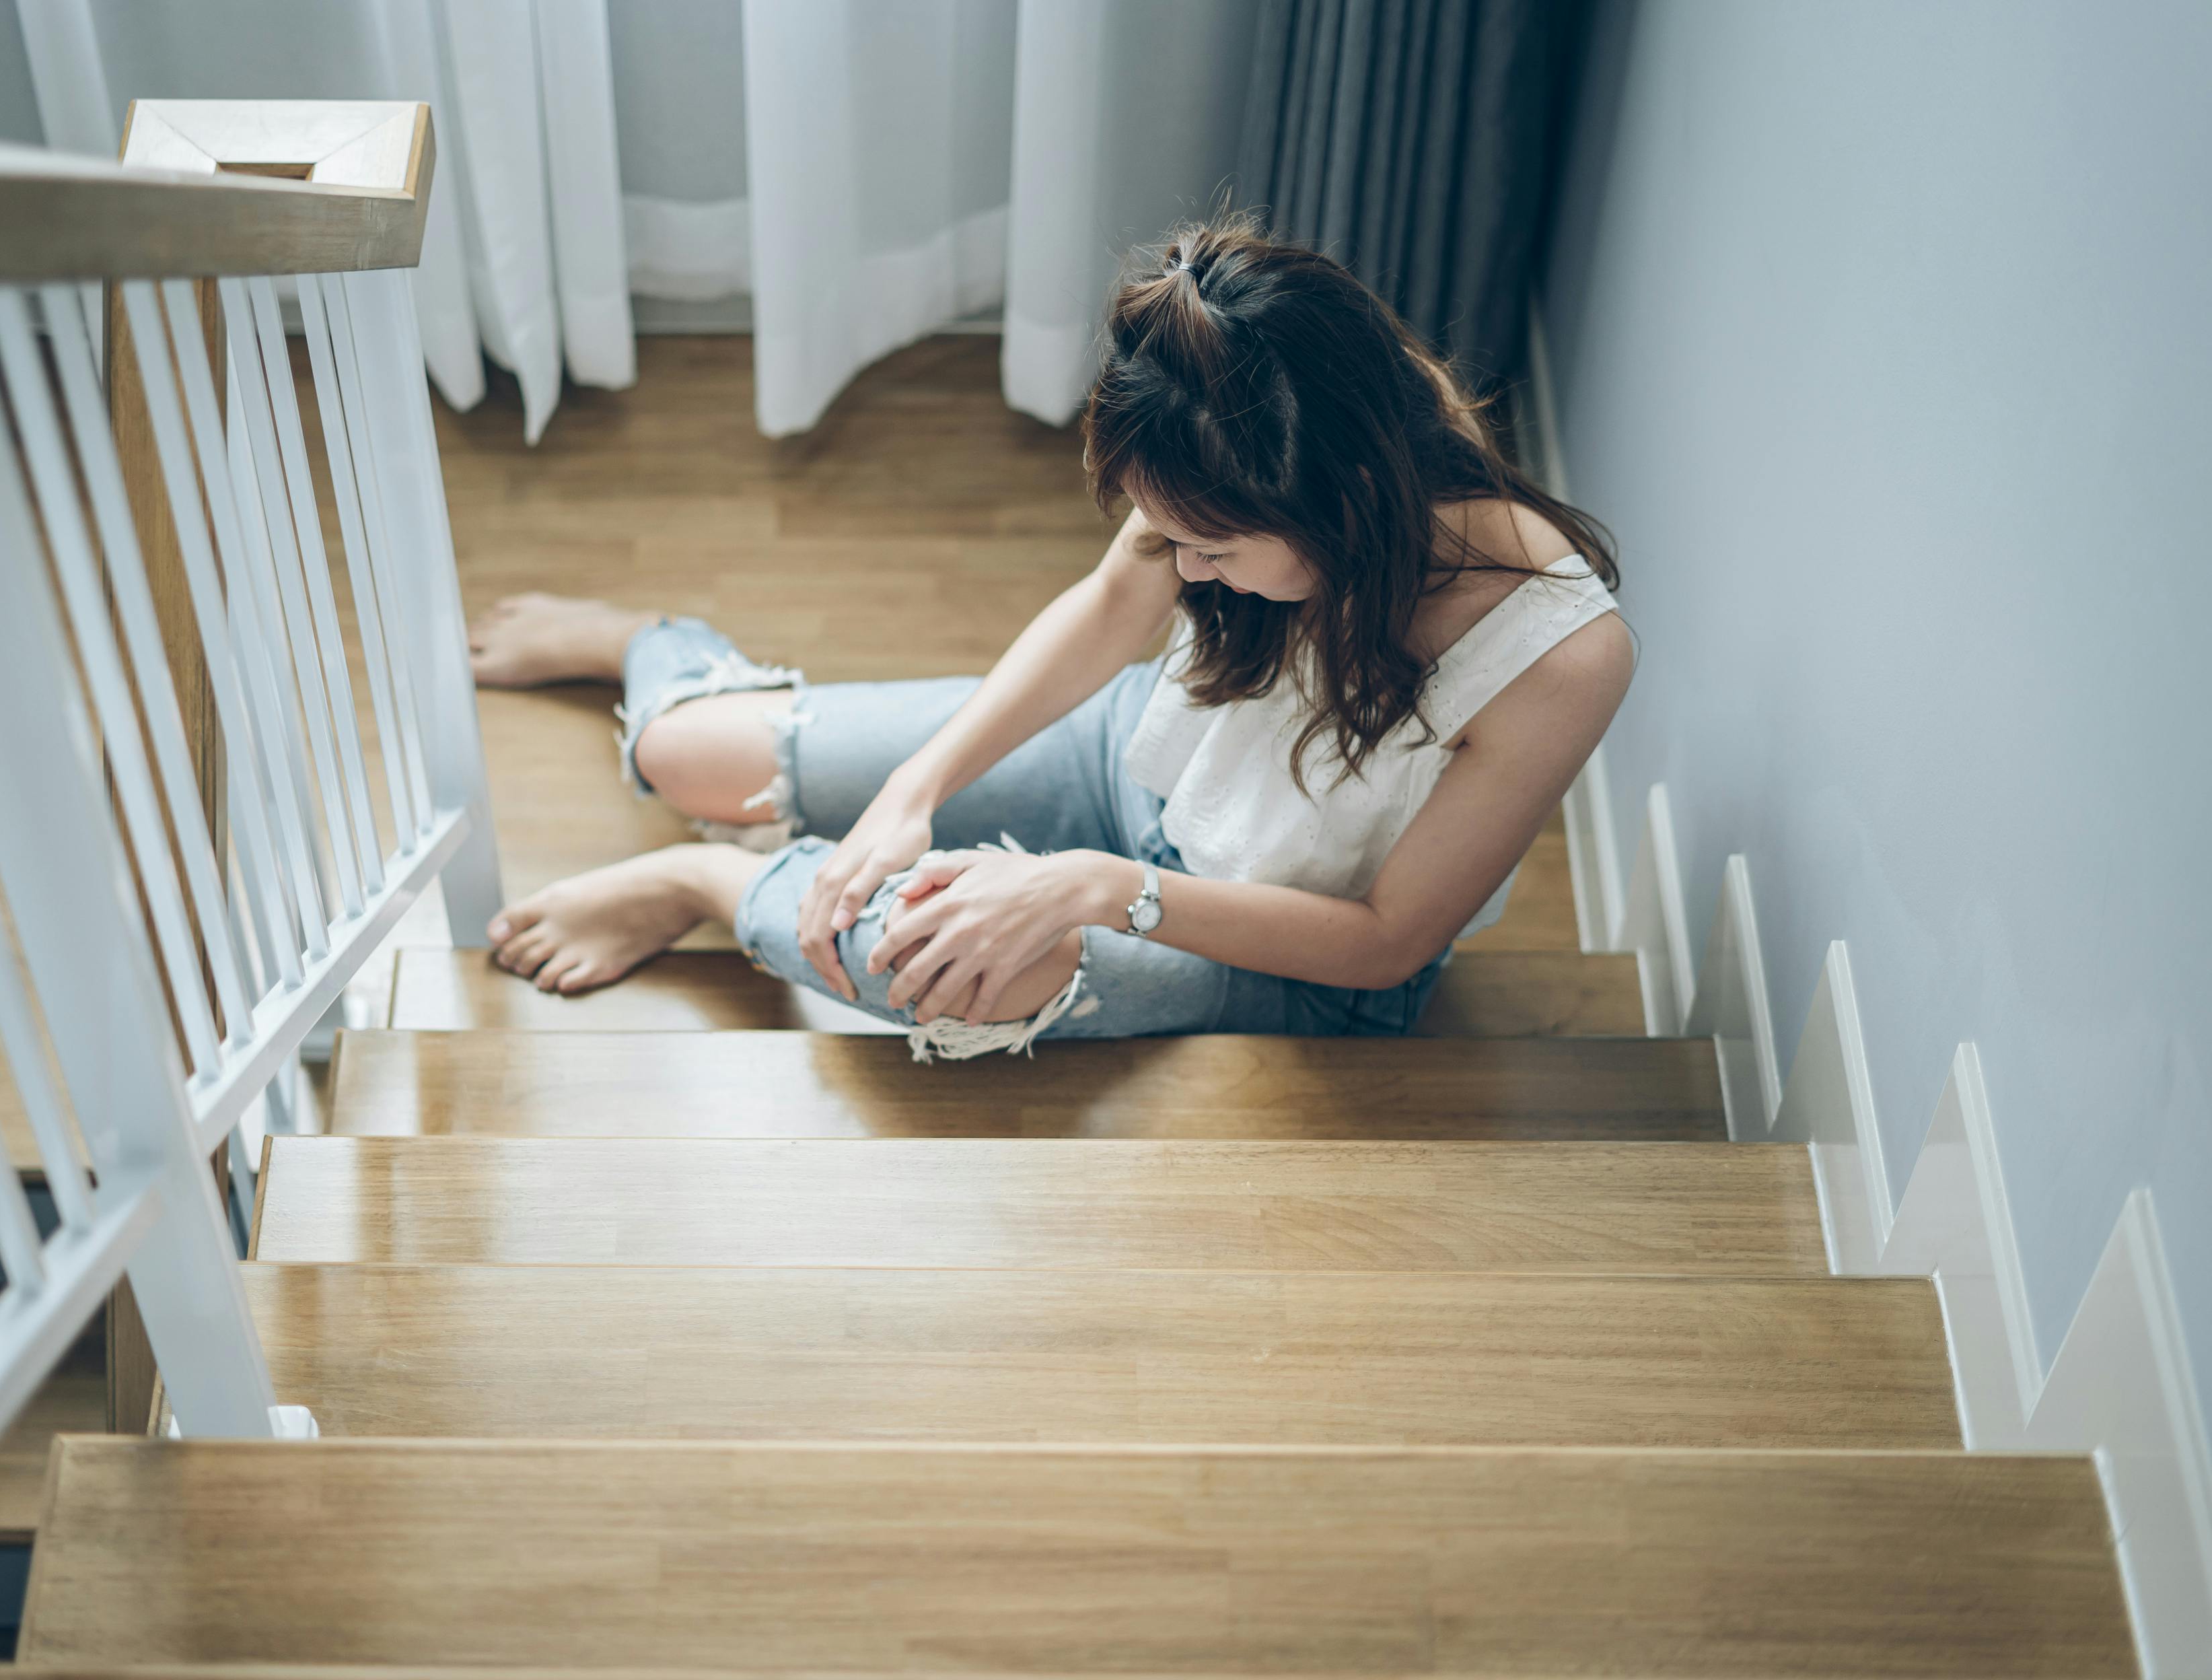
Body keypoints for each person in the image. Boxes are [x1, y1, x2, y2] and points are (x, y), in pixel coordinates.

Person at [465, 217, 1633, 1061]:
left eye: (1211, 554)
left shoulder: (1559, 657)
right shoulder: (1241, 432)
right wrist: (915, 794)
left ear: (1348, 501)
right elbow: (1105, 609)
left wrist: (1094, 890)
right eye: (1166, 537)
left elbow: (1384, 945)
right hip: (1136, 762)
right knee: (684, 755)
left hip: (1290, 957)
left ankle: (702, 878)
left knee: (938, 975)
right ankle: (647, 646)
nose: (1180, 571)